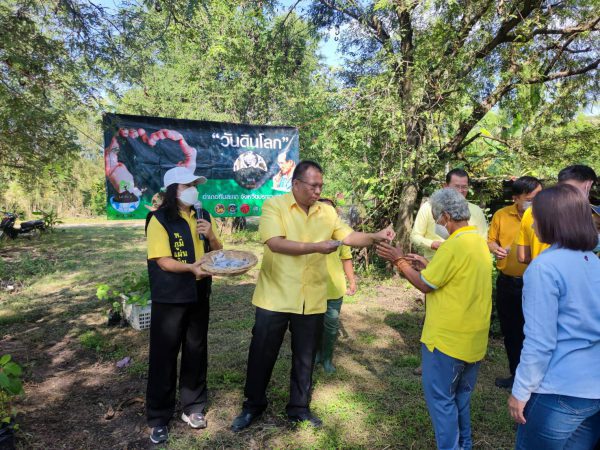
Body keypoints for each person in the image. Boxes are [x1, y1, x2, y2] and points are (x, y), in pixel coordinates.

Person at [230, 160, 395, 432]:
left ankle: (299, 408)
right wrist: (317, 247)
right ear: (296, 184)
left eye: (321, 186)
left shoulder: (326, 212)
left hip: (312, 297)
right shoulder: (274, 206)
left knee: (304, 357)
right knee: (262, 353)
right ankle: (253, 406)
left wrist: (376, 236)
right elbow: (275, 243)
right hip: (276, 295)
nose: (318, 191)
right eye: (313, 186)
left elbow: (349, 237)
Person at [377, 188, 492, 450]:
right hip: (473, 340)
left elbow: (425, 286)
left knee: (442, 401)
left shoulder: (453, 245)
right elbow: (458, 280)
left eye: (438, 219)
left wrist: (399, 261)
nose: (438, 224)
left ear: (447, 216)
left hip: (447, 341)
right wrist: (428, 266)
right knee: (460, 399)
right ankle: (464, 445)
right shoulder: (477, 242)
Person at [507, 184, 600, 449]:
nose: (531, 223)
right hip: (593, 389)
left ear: (552, 220)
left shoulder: (545, 267)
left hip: (558, 390)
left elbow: (540, 340)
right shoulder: (593, 262)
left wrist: (520, 390)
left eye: (536, 216)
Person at [145, 167, 222, 444]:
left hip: (199, 292)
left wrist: (210, 235)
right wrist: (191, 268)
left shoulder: (203, 216)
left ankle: (193, 407)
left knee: (196, 349)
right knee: (164, 354)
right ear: (172, 190)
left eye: (194, 185)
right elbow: (163, 260)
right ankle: (158, 417)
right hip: (171, 295)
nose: (193, 190)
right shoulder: (159, 219)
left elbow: (218, 252)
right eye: (186, 185)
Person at [487, 176, 542, 389]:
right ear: (515, 198)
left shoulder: (545, 217)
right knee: (511, 331)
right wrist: (495, 248)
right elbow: (491, 240)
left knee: (535, 332)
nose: (535, 201)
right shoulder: (501, 215)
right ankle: (515, 375)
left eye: (539, 196)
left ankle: (536, 380)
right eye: (530, 198)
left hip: (535, 283)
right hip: (507, 282)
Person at [517, 164, 597, 264]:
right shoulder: (585, 214)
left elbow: (522, 257)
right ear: (588, 186)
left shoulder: (533, 209)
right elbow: (522, 257)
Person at [315, 198, 357, 374]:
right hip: (312, 288)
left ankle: (327, 358)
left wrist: (352, 280)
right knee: (314, 326)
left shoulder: (341, 235)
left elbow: (346, 259)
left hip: (334, 289)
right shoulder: (310, 232)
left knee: (331, 328)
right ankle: (316, 354)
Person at [410, 168, 488, 260]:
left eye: (464, 187)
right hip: (433, 264)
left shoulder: (476, 210)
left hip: (464, 265)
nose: (460, 191)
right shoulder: (429, 207)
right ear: (445, 186)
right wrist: (432, 244)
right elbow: (415, 236)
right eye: (456, 187)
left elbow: (483, 241)